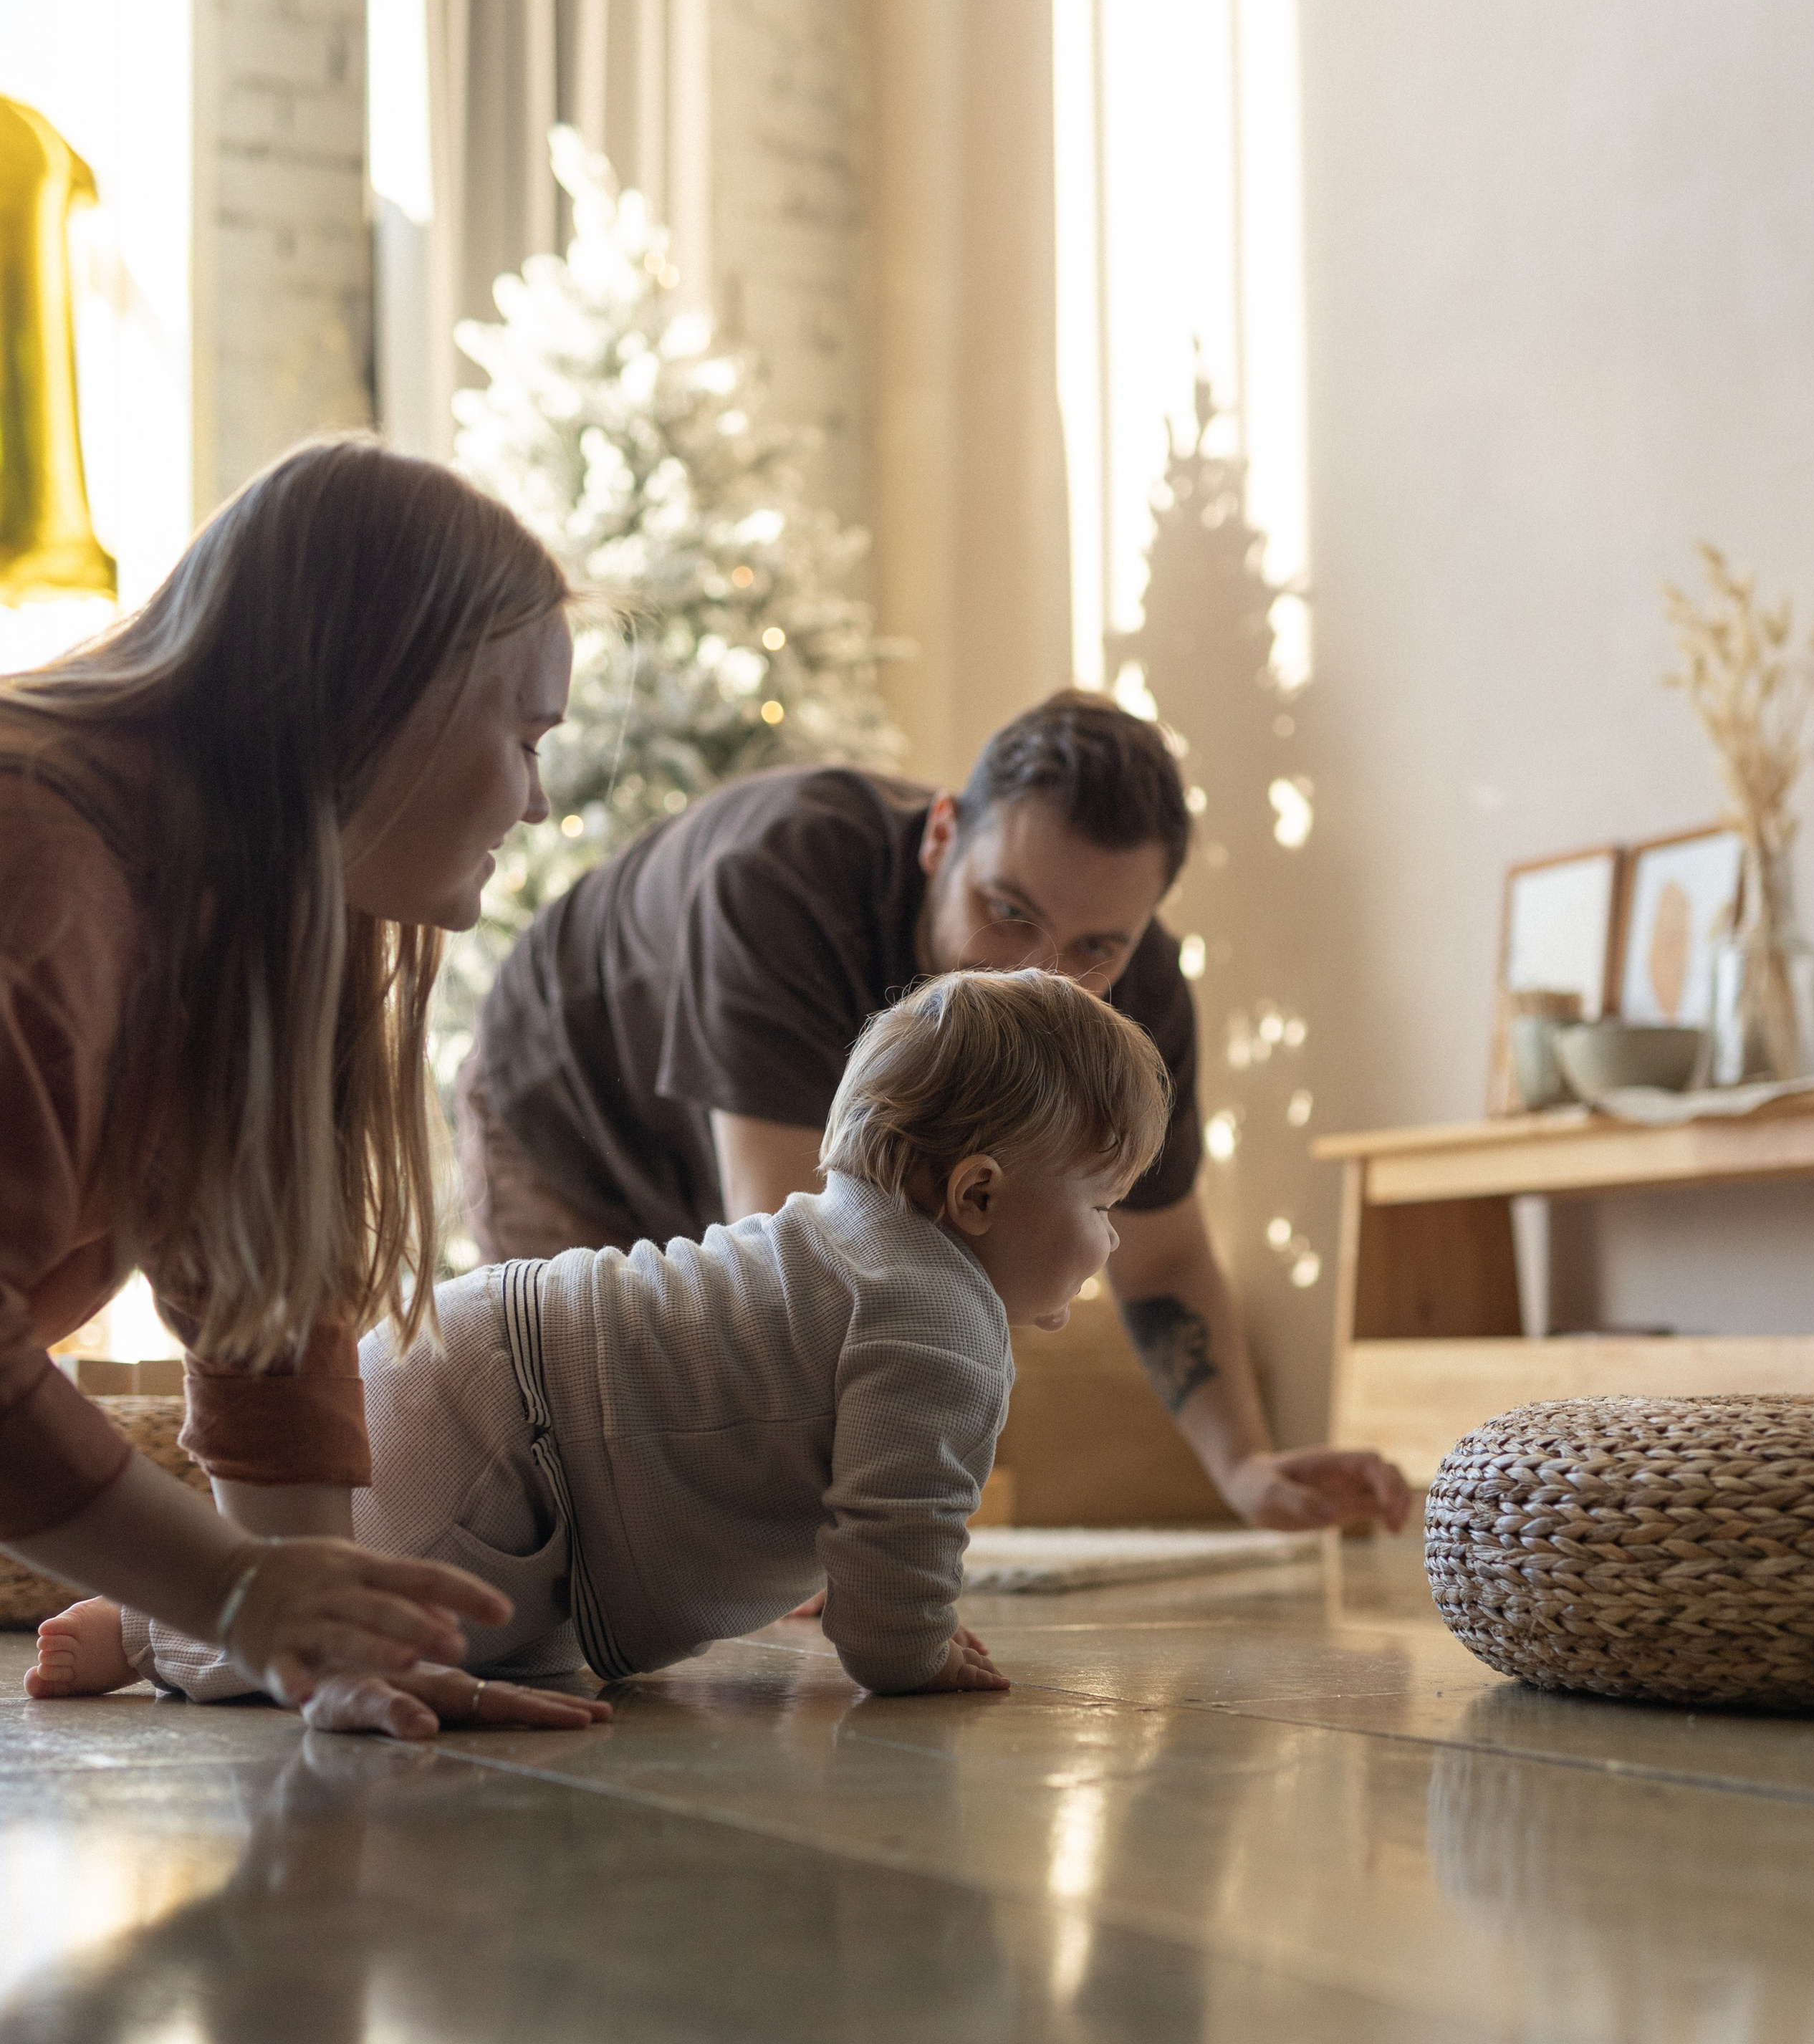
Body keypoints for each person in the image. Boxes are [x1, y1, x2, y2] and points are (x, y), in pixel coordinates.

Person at [44, 968, 1173, 1709]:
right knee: (384, 1635)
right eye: (1101, 1202)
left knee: (451, 1626)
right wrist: (917, 1652)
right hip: (503, 1439)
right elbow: (897, 1544)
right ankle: (152, 1632)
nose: (1110, 1238)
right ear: (977, 1195)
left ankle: (167, 1603)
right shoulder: (939, 1321)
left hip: (494, 1364)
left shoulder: (846, 1247)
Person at [461, 691, 1409, 1535]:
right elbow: (793, 1265)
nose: (1041, 973)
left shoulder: (1136, 995)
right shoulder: (784, 877)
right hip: (566, 1110)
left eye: (1095, 946)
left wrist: (1244, 1466)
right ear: (941, 834)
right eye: (1009, 912)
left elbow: (1160, 1258)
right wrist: (830, 1528)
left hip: (724, 1155)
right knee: (579, 1488)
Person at [8, 438, 610, 1740]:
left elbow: (266, 1309)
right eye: (525, 736)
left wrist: (337, 1645)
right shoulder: (40, 873)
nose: (539, 799)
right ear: (384, 697)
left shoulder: (242, 919)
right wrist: (238, 1596)